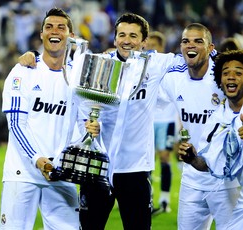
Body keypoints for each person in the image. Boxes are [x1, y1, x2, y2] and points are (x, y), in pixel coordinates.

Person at [18, 13, 183, 230]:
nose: (126, 40)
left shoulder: (155, 64)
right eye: (121, 35)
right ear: (114, 39)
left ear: (144, 42)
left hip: (134, 168)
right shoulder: (101, 64)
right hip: (96, 166)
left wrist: (213, 52)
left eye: (133, 36)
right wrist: (33, 57)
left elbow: (193, 58)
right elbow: (81, 104)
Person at [157, 23, 243, 230]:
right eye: (185, 41)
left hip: (229, 178)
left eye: (198, 41)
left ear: (211, 48)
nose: (190, 45)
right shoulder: (175, 79)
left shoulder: (229, 75)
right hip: (194, 173)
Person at [0, 8, 92, 230]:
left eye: (61, 27)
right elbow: (16, 125)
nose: (55, 31)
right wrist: (38, 160)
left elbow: (81, 125)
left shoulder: (78, 78)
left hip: (61, 174)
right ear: (41, 34)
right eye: (49, 27)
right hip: (23, 173)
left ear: (70, 36)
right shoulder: (23, 71)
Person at [145, 31, 179, 213]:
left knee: (165, 158)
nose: (151, 49)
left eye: (155, 46)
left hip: (166, 121)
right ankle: (147, 199)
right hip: (148, 121)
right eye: (149, 46)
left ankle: (165, 200)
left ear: (162, 48)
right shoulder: (142, 68)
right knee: (147, 160)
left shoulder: (169, 68)